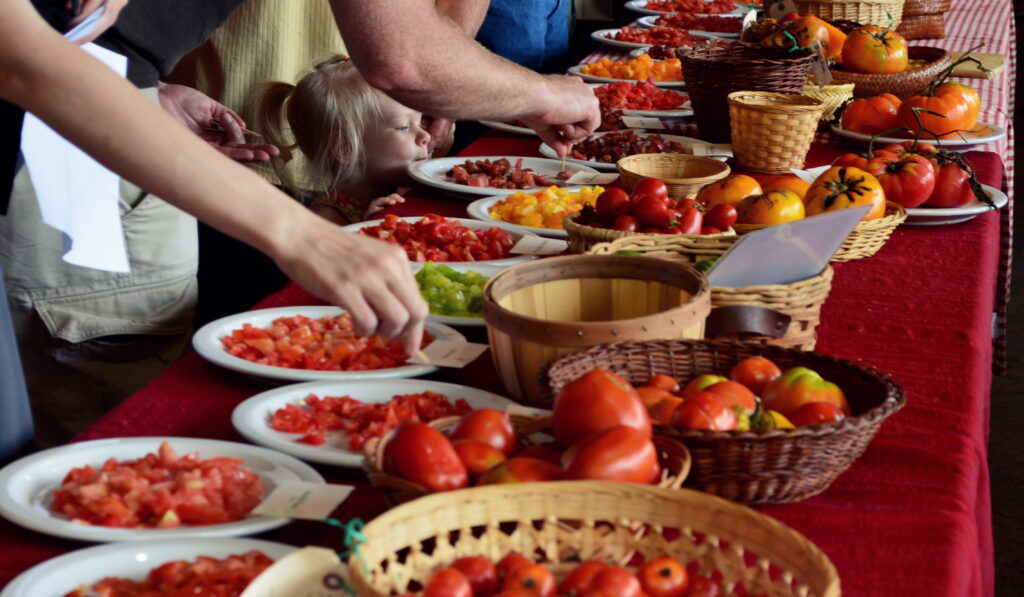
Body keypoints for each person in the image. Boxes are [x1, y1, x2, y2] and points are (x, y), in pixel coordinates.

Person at [2, 0, 599, 448]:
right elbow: (23, 55)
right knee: (116, 430)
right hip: (58, 149)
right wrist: (301, 233)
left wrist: (147, 84)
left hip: (94, 116)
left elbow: (72, 37)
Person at [257, 56, 434, 226]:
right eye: (403, 127)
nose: (425, 136)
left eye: (420, 122)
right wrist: (373, 230)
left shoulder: (395, 189)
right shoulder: (327, 219)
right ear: (345, 148)